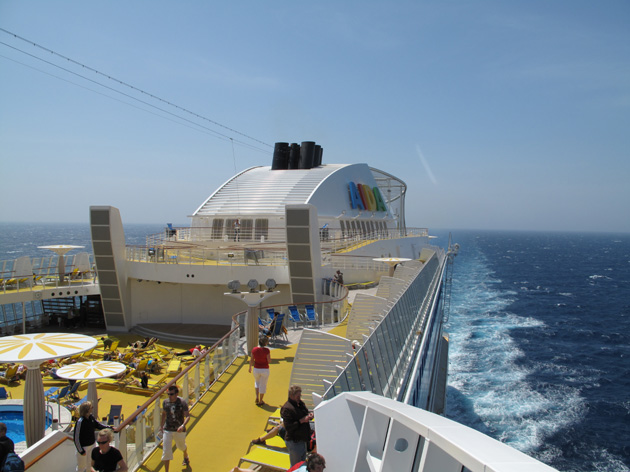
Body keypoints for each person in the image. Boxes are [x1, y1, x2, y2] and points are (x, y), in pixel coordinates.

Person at [281, 385, 314, 466]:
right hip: (294, 441)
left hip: (302, 440)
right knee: (296, 467)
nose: (299, 397)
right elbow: (289, 427)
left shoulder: (300, 404)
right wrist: (301, 421)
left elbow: (304, 413)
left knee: (301, 465)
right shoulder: (287, 408)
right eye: (298, 396)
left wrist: (309, 415)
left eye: (300, 395)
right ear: (291, 395)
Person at [160, 385, 190, 471]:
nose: (169, 396)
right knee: (166, 451)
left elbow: (187, 416)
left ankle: (185, 455)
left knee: (181, 446)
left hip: (179, 430)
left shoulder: (182, 402)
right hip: (167, 429)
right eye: (168, 394)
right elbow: (164, 413)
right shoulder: (165, 402)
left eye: (171, 394)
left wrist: (182, 426)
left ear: (176, 394)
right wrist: (161, 426)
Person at [74, 401, 107, 472]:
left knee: (89, 465)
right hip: (84, 447)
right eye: (91, 407)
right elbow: (76, 438)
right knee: (81, 467)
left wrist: (109, 428)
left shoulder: (91, 418)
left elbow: (98, 425)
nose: (92, 408)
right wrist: (81, 451)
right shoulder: (80, 421)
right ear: (87, 409)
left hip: (92, 445)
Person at [249, 336, 271, 406]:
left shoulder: (254, 349)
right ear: (265, 343)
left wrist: (250, 367)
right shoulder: (267, 350)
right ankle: (261, 400)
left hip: (256, 369)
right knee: (263, 385)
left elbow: (251, 360)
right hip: (264, 369)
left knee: (257, 382)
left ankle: (257, 396)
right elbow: (269, 360)